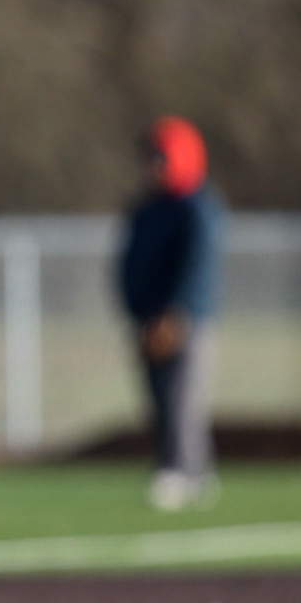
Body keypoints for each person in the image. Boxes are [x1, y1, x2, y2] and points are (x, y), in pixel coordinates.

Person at [117, 115, 225, 512]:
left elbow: (197, 266)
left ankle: (184, 471)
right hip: (146, 319)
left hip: (182, 321)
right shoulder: (145, 210)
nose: (151, 167)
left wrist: (177, 312)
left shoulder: (196, 208)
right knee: (159, 400)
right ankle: (179, 466)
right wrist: (136, 311)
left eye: (159, 159)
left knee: (183, 396)